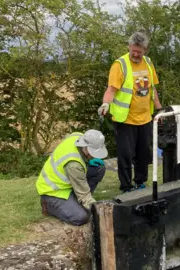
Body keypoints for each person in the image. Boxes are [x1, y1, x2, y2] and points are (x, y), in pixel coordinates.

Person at [97, 32, 163, 193]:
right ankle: (126, 187)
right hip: (125, 119)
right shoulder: (120, 65)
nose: (135, 54)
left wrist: (160, 110)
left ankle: (140, 183)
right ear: (129, 47)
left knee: (143, 154)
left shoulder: (148, 63)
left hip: (145, 118)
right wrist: (106, 103)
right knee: (126, 155)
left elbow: (152, 89)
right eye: (133, 50)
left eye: (139, 52)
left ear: (145, 50)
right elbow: (111, 90)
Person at [36, 129, 108, 226]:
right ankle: (48, 205)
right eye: (92, 153)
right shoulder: (73, 164)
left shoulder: (77, 136)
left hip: (69, 182)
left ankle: (78, 203)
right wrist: (99, 209)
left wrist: (87, 160)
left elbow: (68, 136)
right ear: (85, 147)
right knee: (81, 217)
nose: (94, 156)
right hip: (53, 192)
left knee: (99, 168)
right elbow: (84, 195)